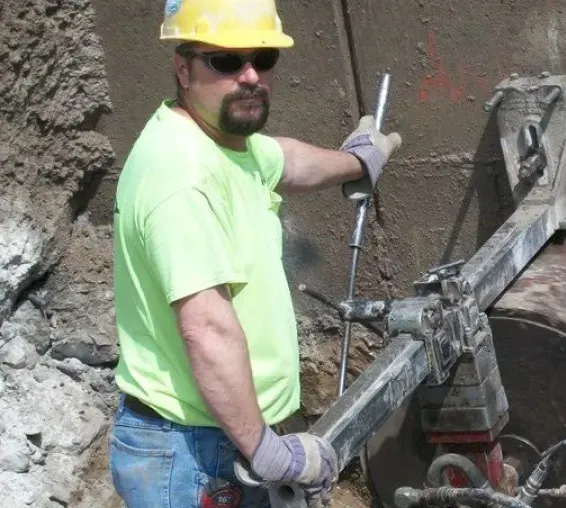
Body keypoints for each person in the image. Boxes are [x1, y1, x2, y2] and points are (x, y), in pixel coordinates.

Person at [107, 0, 402, 507]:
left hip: (222, 437)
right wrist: (264, 450)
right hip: (195, 454)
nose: (249, 76)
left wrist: (357, 161)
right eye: (225, 61)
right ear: (183, 67)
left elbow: (282, 159)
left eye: (263, 58)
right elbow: (206, 329)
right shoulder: (181, 178)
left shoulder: (222, 143)